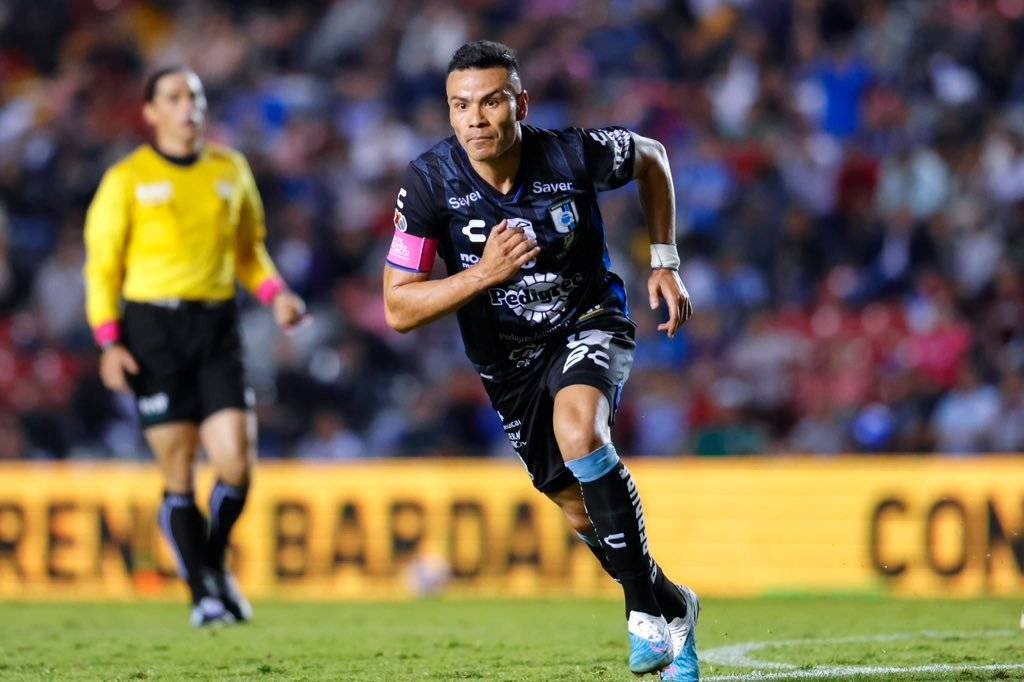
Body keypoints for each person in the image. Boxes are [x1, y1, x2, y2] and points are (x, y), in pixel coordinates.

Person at [382, 41, 699, 680]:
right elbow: (398, 308)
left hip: (588, 323)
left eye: (491, 101)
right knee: (582, 511)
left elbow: (654, 158)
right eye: (460, 106)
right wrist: (483, 274)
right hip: (510, 365)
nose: (475, 118)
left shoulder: (571, 153)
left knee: (580, 429)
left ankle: (641, 611)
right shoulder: (428, 183)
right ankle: (674, 604)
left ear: (520, 104)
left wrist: (664, 260)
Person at [83, 66, 306, 627]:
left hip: (215, 326)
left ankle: (209, 560)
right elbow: (102, 270)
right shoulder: (126, 178)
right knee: (179, 467)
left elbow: (249, 251)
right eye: (174, 98)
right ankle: (204, 593)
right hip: (152, 332)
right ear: (151, 112)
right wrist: (110, 343)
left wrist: (276, 294)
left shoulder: (230, 169)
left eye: (196, 98)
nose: (188, 107)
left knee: (236, 464)